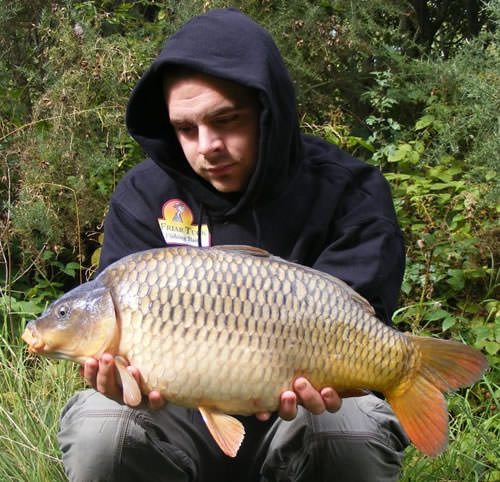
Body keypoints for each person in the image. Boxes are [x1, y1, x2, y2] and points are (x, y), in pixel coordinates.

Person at [57, 8, 409, 481]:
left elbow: (359, 324)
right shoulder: (143, 196)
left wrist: (363, 375)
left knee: (354, 428)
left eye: (226, 120)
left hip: (305, 411)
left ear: (269, 112)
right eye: (185, 129)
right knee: (100, 430)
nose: (207, 146)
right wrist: (118, 382)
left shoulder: (349, 191)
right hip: (179, 416)